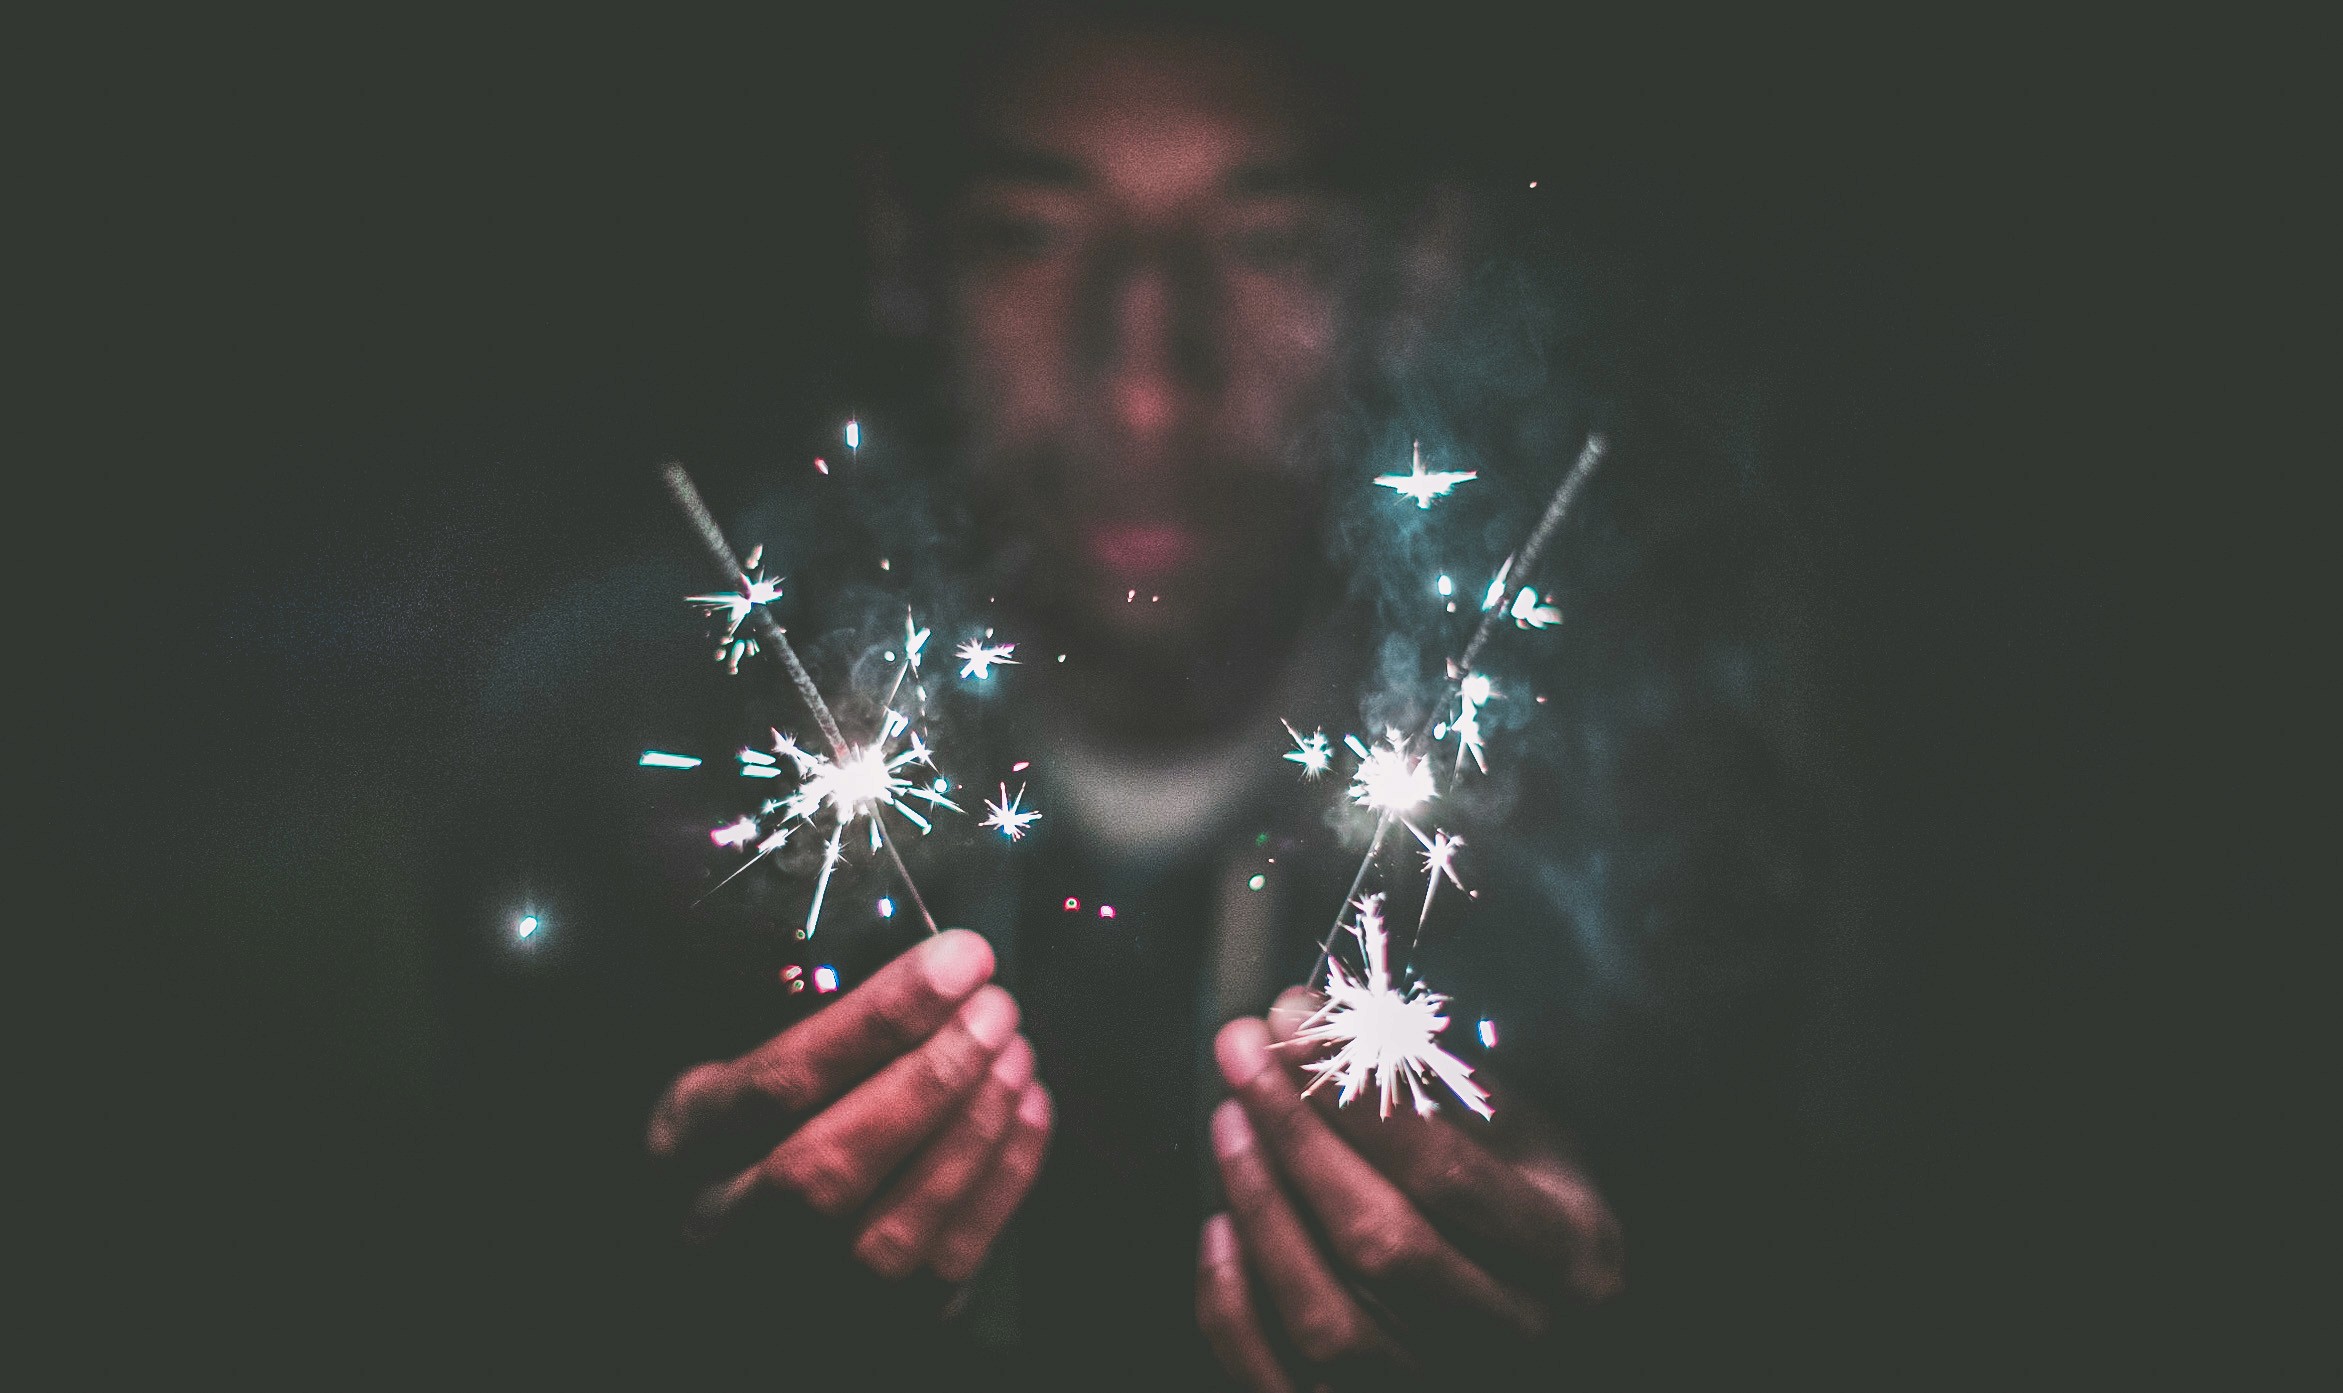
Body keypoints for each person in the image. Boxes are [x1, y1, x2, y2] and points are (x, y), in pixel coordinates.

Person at [449, 6, 1870, 1387]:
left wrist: (1637, 1328)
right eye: (1031, 230)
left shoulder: (1662, 825)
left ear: (1416, 268)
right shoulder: (605, 753)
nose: (1146, 387)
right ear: (904, 248)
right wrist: (639, 1314)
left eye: (1268, 243)